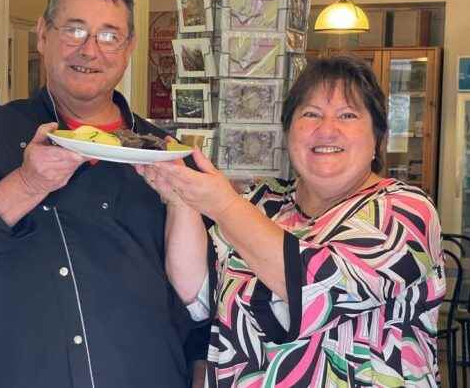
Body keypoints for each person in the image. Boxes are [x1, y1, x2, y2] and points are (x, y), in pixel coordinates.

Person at [0, 0, 197, 388]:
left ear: (129, 47)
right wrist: (26, 184)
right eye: (74, 30)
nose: (90, 50)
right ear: (43, 35)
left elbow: (204, 292)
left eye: (109, 35)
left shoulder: (163, 153)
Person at [138, 55, 446, 387]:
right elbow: (197, 294)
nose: (326, 130)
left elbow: (316, 287)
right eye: (311, 114)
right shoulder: (262, 203)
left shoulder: (404, 211)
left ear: (377, 139)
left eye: (347, 115)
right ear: (288, 131)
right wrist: (179, 198)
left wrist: (222, 205)